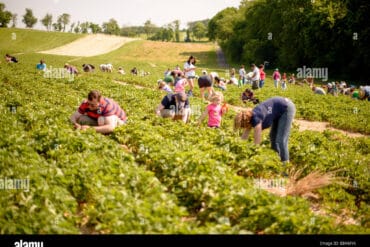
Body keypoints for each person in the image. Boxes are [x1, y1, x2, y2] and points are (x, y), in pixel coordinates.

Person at [234, 97, 296, 163]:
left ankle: (285, 165)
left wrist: (253, 157)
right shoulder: (250, 117)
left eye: (243, 126)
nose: (244, 128)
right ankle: (276, 161)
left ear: (247, 122)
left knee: (281, 140)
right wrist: (238, 148)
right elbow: (245, 136)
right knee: (273, 138)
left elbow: (257, 142)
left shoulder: (256, 119)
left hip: (286, 108)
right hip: (278, 109)